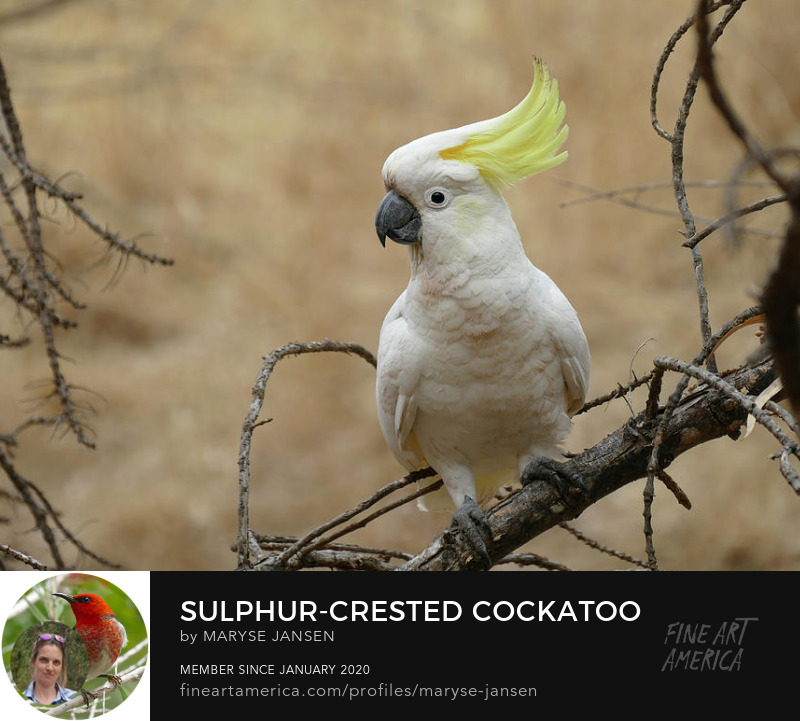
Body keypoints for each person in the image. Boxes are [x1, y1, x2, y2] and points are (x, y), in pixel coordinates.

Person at [22, 633, 77, 705]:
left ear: (62, 666)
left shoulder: (73, 698)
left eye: (56, 662)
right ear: (33, 662)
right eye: (44, 660)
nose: (50, 668)